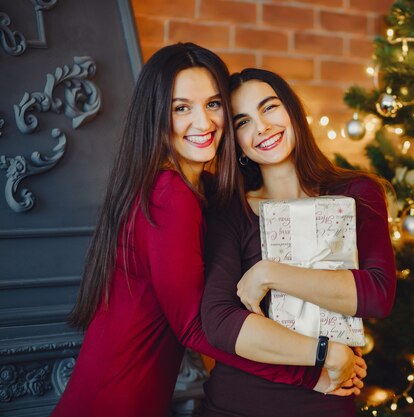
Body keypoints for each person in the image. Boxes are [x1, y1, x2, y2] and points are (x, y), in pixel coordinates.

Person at [52, 43, 354, 417]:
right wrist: (313, 368)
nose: (204, 123)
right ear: (156, 116)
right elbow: (198, 329)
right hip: (114, 403)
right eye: (182, 108)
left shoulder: (188, 190)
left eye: (213, 104)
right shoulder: (171, 196)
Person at [201, 68, 397, 417]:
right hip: (238, 405)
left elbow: (377, 294)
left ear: (292, 111)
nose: (261, 127)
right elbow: (219, 322)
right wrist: (325, 353)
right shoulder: (230, 209)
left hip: (327, 406)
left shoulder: (356, 193)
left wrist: (270, 273)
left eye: (270, 107)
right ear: (236, 141)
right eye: (243, 121)